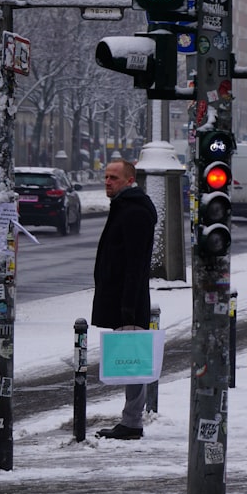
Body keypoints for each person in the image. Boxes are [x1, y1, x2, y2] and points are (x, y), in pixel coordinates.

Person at [92, 160, 158, 440]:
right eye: (106, 177)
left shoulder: (133, 211)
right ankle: (131, 420)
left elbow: (135, 263)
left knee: (133, 362)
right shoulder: (125, 206)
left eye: (114, 177)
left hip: (128, 299)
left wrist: (128, 307)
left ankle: (132, 423)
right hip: (122, 296)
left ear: (129, 180)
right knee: (131, 360)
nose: (107, 181)